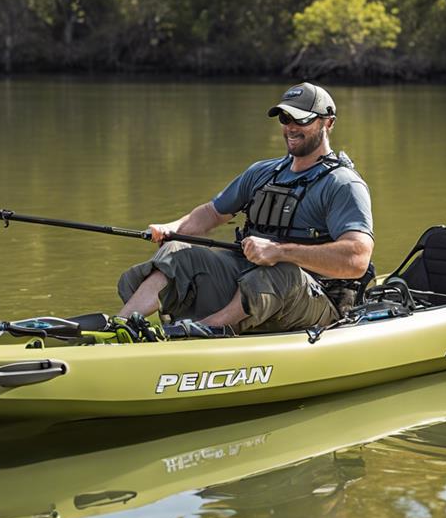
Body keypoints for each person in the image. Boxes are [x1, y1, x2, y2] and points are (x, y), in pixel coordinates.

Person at [117, 82, 374, 337]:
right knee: (177, 252)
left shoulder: (343, 184)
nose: (291, 127)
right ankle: (120, 327)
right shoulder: (262, 172)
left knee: (280, 270)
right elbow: (212, 213)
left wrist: (279, 251)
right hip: (253, 284)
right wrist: (171, 229)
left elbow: (357, 259)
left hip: (317, 300)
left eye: (301, 119)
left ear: (328, 123)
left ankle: (201, 332)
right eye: (285, 118)